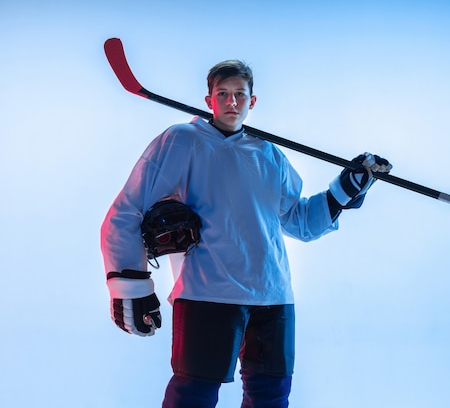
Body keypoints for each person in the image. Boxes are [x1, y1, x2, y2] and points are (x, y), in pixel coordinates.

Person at [100, 59, 391, 408]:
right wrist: (131, 285)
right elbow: (125, 212)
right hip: (207, 295)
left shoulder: (268, 153)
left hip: (274, 296)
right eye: (223, 94)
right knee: (194, 398)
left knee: (270, 399)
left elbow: (299, 221)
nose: (232, 102)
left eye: (240, 94)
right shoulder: (180, 142)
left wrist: (344, 190)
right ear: (209, 99)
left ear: (252, 101)